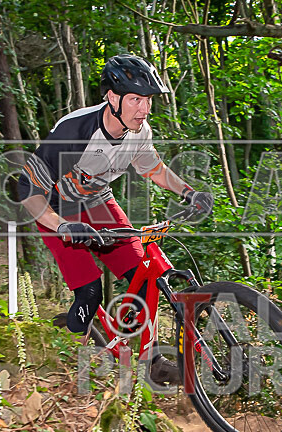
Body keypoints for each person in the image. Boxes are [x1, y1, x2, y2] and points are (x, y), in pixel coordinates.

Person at [18, 54, 213, 384]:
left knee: (149, 279)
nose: (144, 109)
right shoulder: (76, 130)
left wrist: (189, 192)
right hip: (56, 209)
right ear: (112, 97)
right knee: (90, 292)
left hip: (98, 203)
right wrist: (62, 225)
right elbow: (27, 189)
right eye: (136, 99)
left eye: (148, 100)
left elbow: (154, 168)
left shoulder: (139, 131)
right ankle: (70, 363)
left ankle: (151, 360)